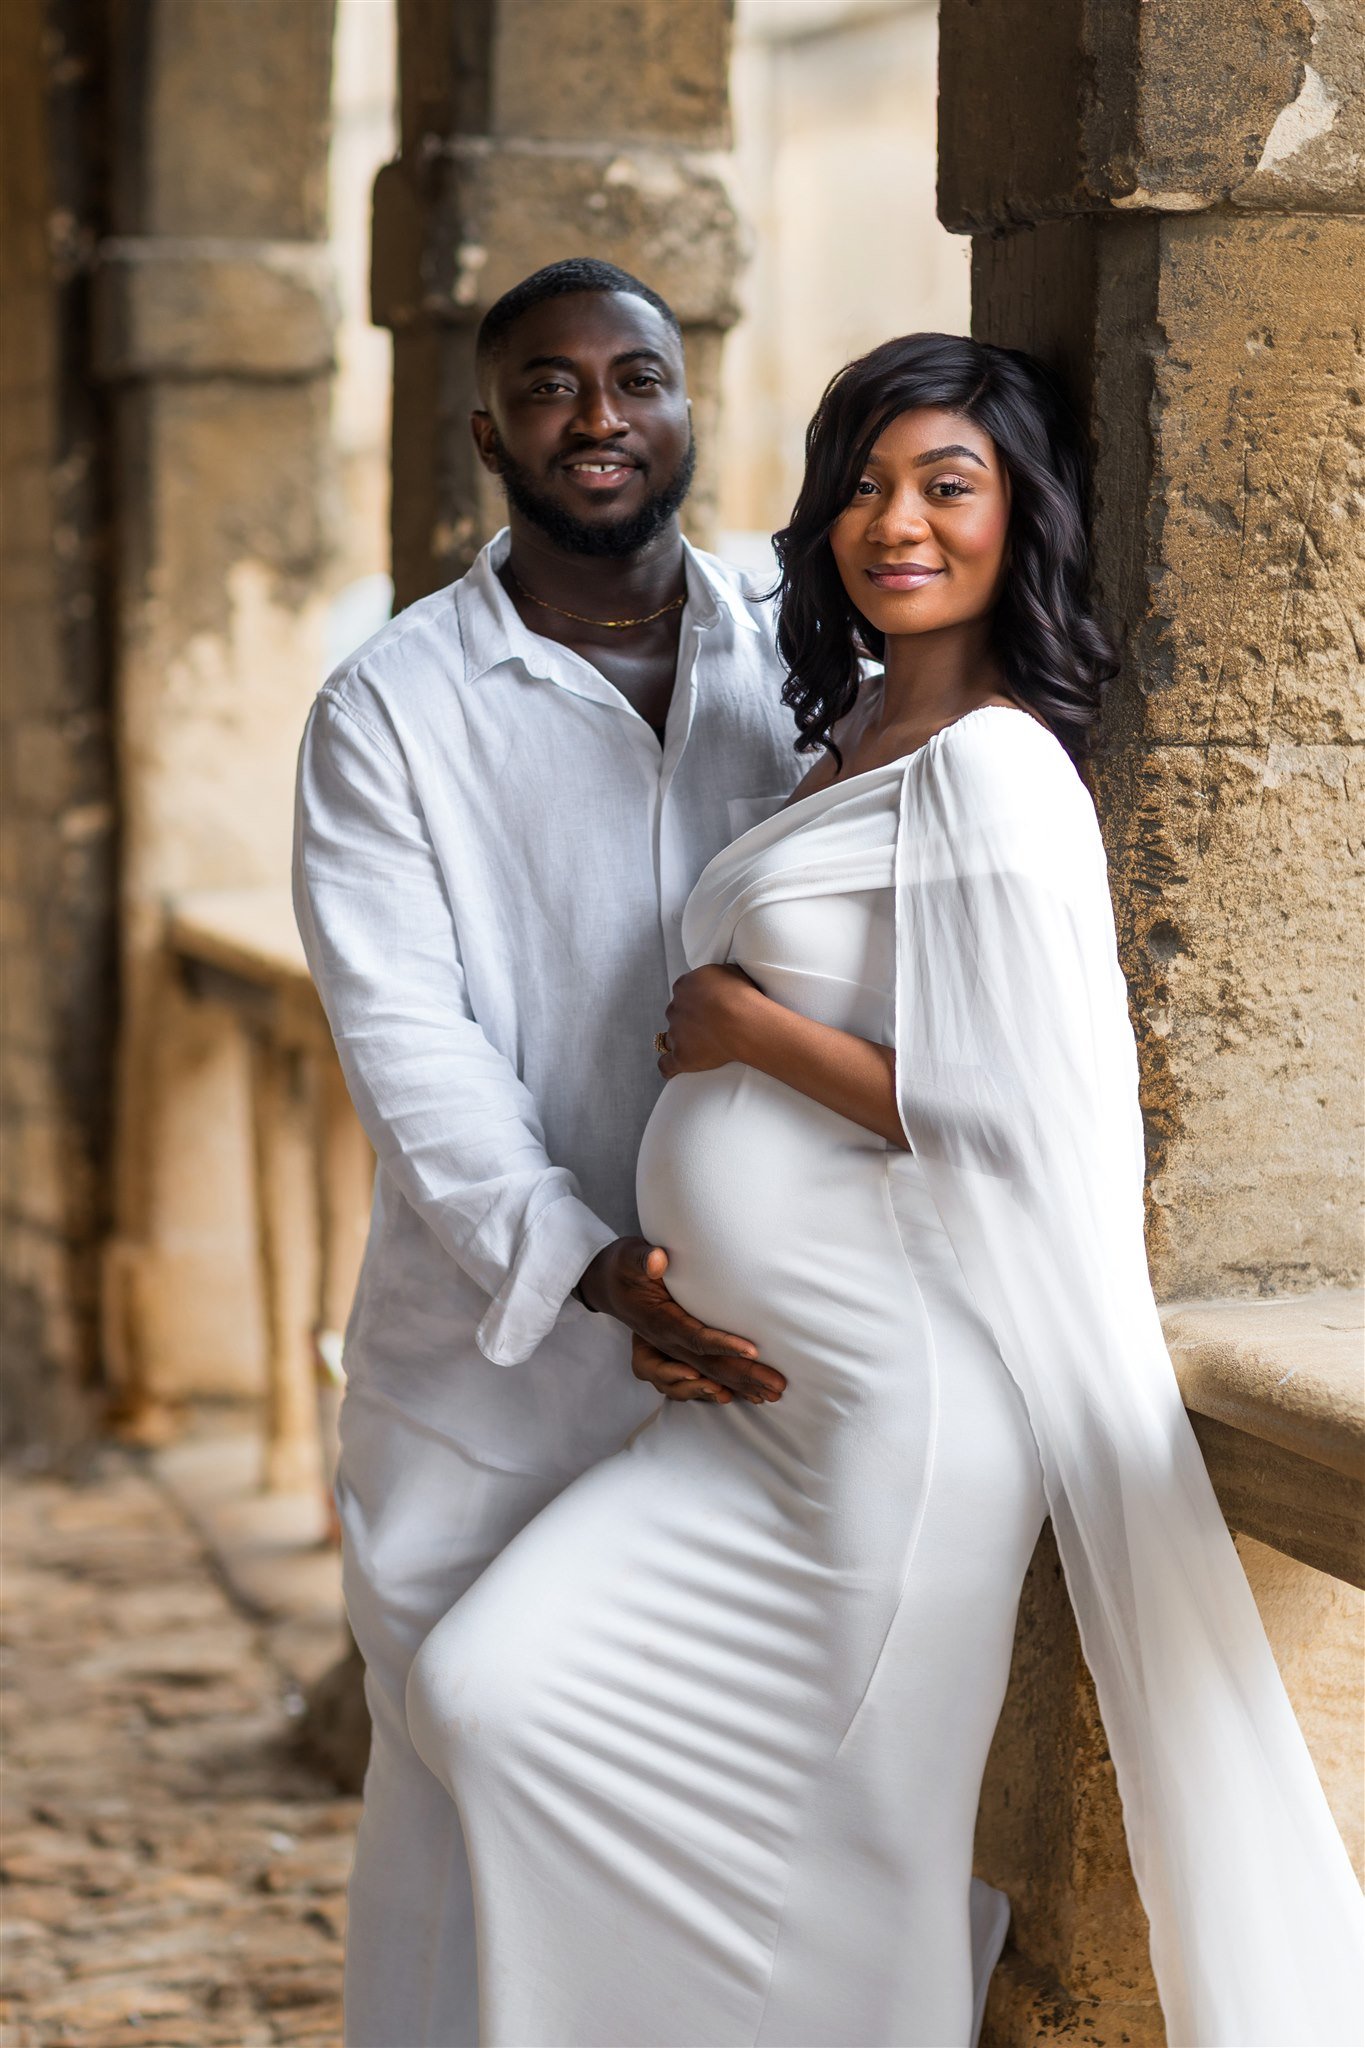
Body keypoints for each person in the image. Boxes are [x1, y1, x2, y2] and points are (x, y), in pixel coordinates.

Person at [407, 333, 1365, 2048]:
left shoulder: (996, 768)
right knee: (499, 1694)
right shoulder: (849, 729)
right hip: (747, 1406)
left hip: (898, 1419)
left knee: (854, 1840)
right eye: (863, 484)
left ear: (1021, 522)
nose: (893, 521)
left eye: (946, 487)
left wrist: (746, 1031)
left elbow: (1031, 1122)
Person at [293, 258, 801, 2048]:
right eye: (548, 385)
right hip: (495, 1361)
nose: (599, 418)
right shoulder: (391, 708)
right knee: (466, 1775)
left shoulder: (803, 649)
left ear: (688, 401)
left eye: (635, 377)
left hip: (776, 1344)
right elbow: (405, 1043)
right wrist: (594, 1266)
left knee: (746, 1803)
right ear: (486, 425)